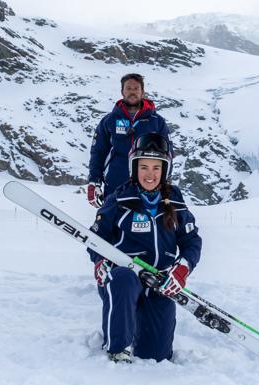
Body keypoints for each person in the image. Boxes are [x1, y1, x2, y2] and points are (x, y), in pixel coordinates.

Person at [88, 133, 202, 362]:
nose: (150, 174)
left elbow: (192, 242)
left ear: (165, 171)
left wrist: (181, 269)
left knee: (155, 355)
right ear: (134, 169)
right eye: (144, 167)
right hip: (124, 276)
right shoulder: (118, 200)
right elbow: (95, 238)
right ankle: (117, 349)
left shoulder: (176, 203)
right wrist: (100, 261)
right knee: (122, 279)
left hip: (159, 283)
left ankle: (143, 329)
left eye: (156, 168)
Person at [87, 73, 172, 208]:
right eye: (128, 88)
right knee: (111, 223)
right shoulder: (110, 120)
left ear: (142, 92)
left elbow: (168, 154)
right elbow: (98, 152)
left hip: (147, 185)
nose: (132, 92)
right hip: (115, 183)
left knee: (143, 225)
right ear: (122, 92)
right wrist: (94, 181)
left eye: (136, 88)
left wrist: (165, 181)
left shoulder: (157, 122)